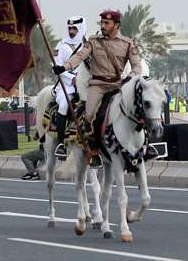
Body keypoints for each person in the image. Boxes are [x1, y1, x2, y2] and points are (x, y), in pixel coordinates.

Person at [54, 9, 141, 137]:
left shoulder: (127, 44)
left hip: (118, 85)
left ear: (116, 25)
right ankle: (92, 147)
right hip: (98, 86)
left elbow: (137, 66)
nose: (102, 26)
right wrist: (64, 67)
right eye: (102, 23)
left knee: (139, 110)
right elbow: (80, 56)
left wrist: (130, 77)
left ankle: (146, 144)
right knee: (88, 116)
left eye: (107, 23)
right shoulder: (93, 41)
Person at [52, 15, 87, 156]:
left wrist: (82, 79)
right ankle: (61, 143)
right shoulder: (61, 46)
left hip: (86, 85)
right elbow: (56, 68)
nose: (72, 31)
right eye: (70, 28)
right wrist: (73, 78)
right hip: (66, 86)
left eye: (75, 28)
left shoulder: (88, 45)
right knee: (64, 105)